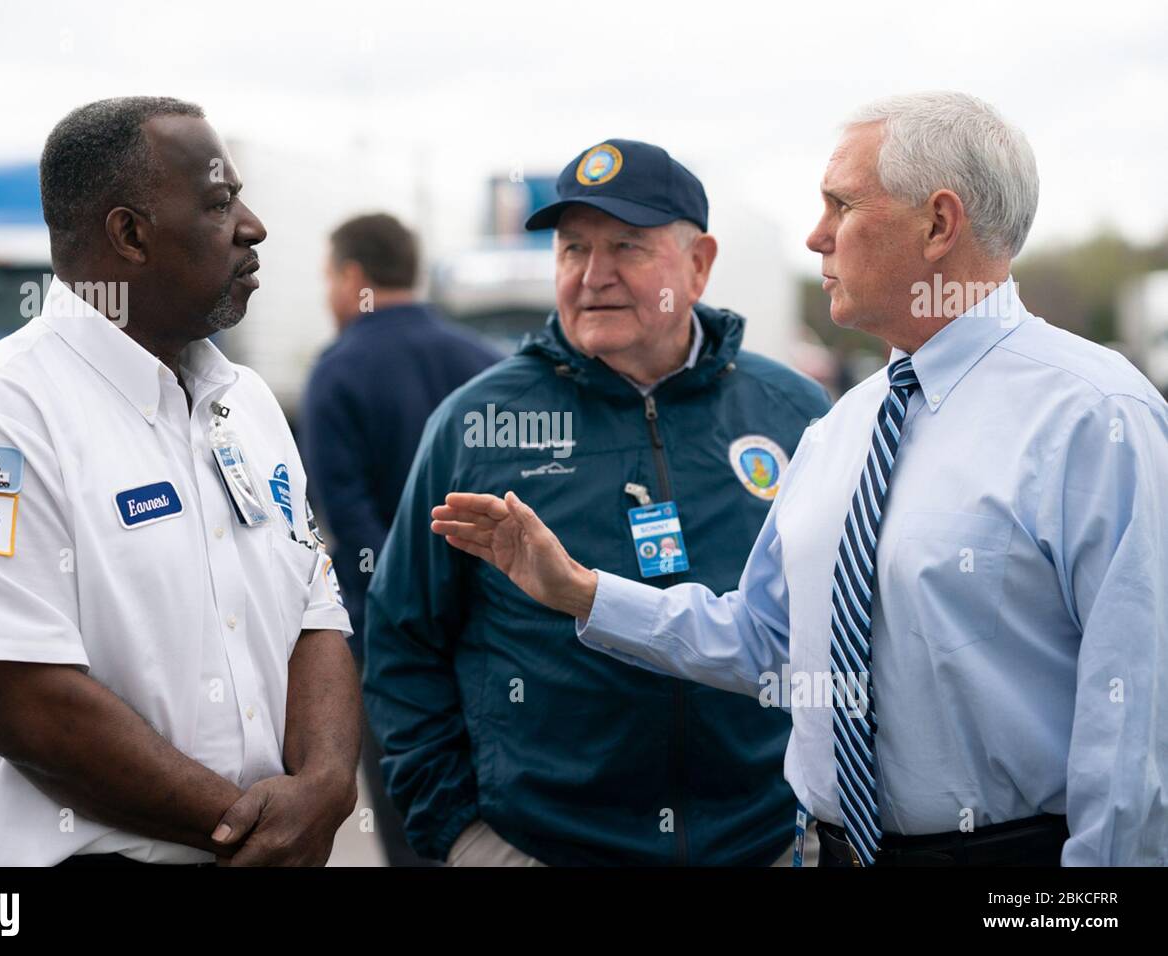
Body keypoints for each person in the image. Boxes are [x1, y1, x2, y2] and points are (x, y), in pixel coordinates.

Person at [431, 94, 1168, 867]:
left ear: (939, 225)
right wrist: (582, 592)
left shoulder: (1096, 419)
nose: (815, 235)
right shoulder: (843, 428)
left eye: (840, 205)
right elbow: (767, 642)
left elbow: (1140, 737)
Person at [0, 96, 360, 866]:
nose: (254, 226)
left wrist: (328, 786)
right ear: (130, 235)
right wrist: (261, 830)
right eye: (219, 202)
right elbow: (27, 704)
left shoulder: (246, 406)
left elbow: (315, 614)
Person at [365, 138, 831, 866]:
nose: (592, 276)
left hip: (761, 842)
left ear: (699, 264)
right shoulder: (479, 424)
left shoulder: (793, 413)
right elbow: (401, 638)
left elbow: (843, 627)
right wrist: (462, 833)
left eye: (626, 247)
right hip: (543, 846)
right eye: (572, 248)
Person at [300, 212, 500, 865]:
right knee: (495, 815)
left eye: (330, 275)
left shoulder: (338, 368)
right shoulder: (481, 361)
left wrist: (404, 613)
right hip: (489, 634)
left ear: (353, 276)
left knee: (415, 822)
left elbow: (347, 516)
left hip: (392, 649)